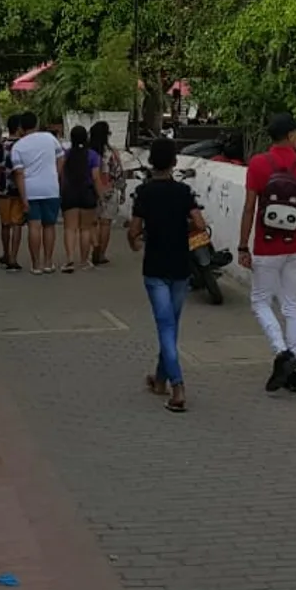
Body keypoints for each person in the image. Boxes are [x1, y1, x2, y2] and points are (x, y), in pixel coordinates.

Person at [238, 112, 296, 394]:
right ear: (290, 136)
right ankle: (295, 371)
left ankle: (282, 353)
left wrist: (243, 245)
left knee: (260, 302)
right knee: (291, 306)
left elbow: (249, 208)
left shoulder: (258, 164)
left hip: (266, 246)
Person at [128, 136, 205, 414]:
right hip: (180, 267)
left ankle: (178, 386)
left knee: (165, 327)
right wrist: (184, 232)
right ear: (174, 162)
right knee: (170, 325)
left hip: (155, 267)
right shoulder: (184, 191)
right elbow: (200, 224)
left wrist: (135, 242)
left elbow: (134, 230)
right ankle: (160, 379)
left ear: (151, 162)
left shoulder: (145, 192)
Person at [11, 110, 65, 275]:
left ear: (21, 127)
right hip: (51, 188)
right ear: (37, 123)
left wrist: (24, 198)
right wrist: (55, 175)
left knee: (34, 226)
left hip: (31, 190)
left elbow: (19, 174)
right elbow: (61, 158)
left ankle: (36, 264)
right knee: (49, 226)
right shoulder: (49, 138)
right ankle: (48, 262)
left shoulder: (18, 147)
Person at [60, 125, 102, 272]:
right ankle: (84, 261)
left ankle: (70, 259)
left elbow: (62, 174)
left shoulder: (66, 154)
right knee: (85, 229)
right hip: (87, 193)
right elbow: (95, 177)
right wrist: (100, 195)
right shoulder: (93, 155)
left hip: (70, 192)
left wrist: (62, 190)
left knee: (70, 228)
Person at [0, 113, 25, 270]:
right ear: (19, 128)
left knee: (5, 224)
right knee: (17, 224)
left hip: (3, 190)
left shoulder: (0, 146)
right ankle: (13, 258)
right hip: (19, 190)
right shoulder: (24, 146)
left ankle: (5, 253)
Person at [89, 119, 124, 265]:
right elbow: (119, 172)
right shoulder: (113, 152)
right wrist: (122, 190)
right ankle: (102, 254)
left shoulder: (89, 152)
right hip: (110, 189)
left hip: (91, 190)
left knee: (92, 223)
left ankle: (94, 247)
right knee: (106, 224)